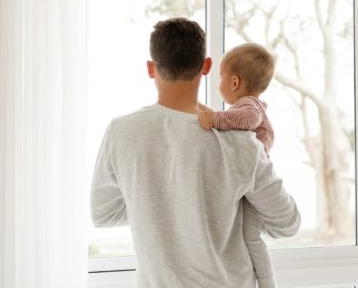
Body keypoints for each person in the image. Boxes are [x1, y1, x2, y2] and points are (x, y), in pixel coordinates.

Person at [90, 17, 300, 288]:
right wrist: (211, 210)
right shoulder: (240, 141)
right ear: (207, 67)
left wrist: (158, 207)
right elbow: (287, 222)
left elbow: (103, 214)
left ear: (151, 69)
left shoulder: (121, 132)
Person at [198, 43, 278, 288]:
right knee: (244, 235)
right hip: (247, 182)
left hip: (255, 182)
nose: (218, 82)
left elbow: (246, 120)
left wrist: (214, 118)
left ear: (234, 82)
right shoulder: (245, 105)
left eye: (220, 77)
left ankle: (267, 283)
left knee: (251, 237)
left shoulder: (249, 106)